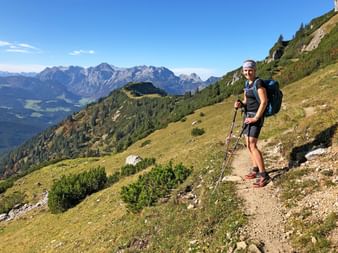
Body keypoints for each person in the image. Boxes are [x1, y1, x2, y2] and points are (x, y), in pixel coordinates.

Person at [234, 59, 271, 187]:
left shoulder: (258, 83)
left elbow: (264, 102)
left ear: (255, 70)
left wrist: (256, 118)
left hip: (255, 118)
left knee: (252, 145)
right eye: (245, 70)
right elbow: (246, 100)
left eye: (250, 70)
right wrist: (240, 104)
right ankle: (255, 169)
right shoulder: (247, 83)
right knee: (248, 145)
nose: (247, 72)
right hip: (247, 117)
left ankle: (264, 175)